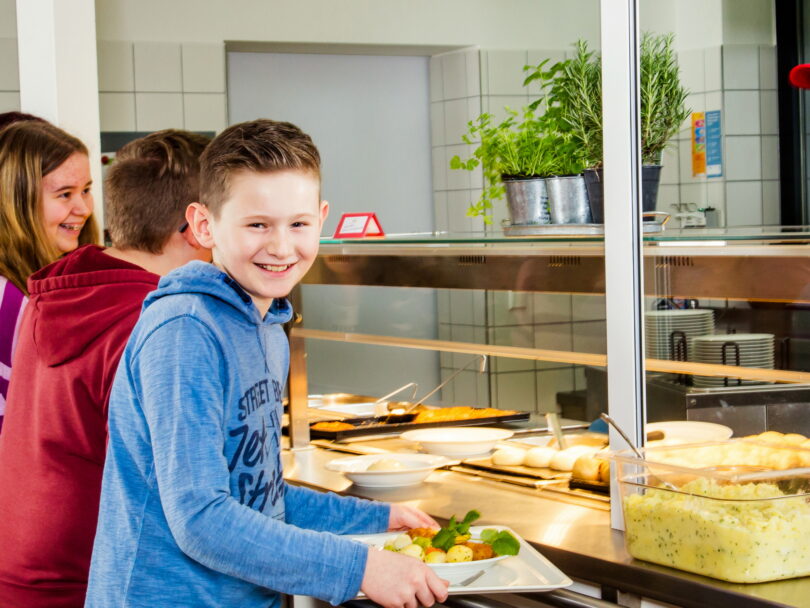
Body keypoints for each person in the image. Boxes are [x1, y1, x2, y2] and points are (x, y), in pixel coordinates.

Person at [85, 119, 449, 608]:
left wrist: (374, 518)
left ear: (321, 219)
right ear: (204, 225)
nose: (280, 247)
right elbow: (201, 518)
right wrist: (359, 568)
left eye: (298, 224)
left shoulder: (268, 328)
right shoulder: (185, 330)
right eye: (257, 224)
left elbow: (259, 494)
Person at [0, 129, 211, 608]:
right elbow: (194, 508)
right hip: (88, 583)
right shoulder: (154, 321)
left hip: (27, 576)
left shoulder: (59, 289)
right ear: (200, 225)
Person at [0, 120, 99, 431]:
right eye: (65, 194)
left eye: (86, 190)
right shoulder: (7, 298)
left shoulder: (54, 282)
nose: (83, 208)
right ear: (19, 200)